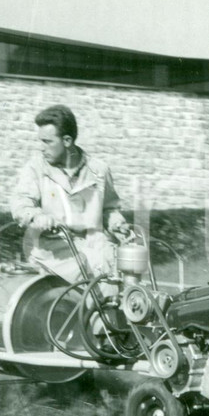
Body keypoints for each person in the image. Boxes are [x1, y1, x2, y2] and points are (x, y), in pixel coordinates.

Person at [10, 104, 130, 286]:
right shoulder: (36, 168)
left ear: (67, 141)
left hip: (96, 247)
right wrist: (38, 216)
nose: (41, 148)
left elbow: (109, 208)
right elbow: (21, 204)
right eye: (40, 141)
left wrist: (116, 222)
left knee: (120, 283)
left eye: (47, 142)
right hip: (53, 250)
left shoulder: (98, 170)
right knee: (80, 286)